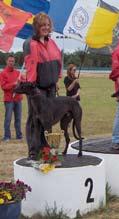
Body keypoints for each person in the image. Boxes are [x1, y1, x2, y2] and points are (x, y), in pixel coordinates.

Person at [23, 12, 62, 159]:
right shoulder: (30, 43)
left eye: (47, 25)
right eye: (42, 25)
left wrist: (57, 79)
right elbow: (31, 66)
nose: (46, 27)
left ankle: (45, 149)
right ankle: (33, 150)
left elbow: (58, 61)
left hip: (51, 88)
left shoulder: (52, 43)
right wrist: (33, 89)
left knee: (47, 120)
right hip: (37, 89)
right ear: (36, 27)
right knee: (34, 119)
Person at [0, 55, 23, 141]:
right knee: (8, 118)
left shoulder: (18, 73)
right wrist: (13, 84)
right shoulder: (3, 73)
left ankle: (19, 135)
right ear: (6, 61)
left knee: (18, 118)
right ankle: (7, 136)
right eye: (10, 61)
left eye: (13, 61)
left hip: (18, 99)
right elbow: (3, 86)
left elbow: (24, 83)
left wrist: (21, 82)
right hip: (9, 99)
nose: (11, 63)